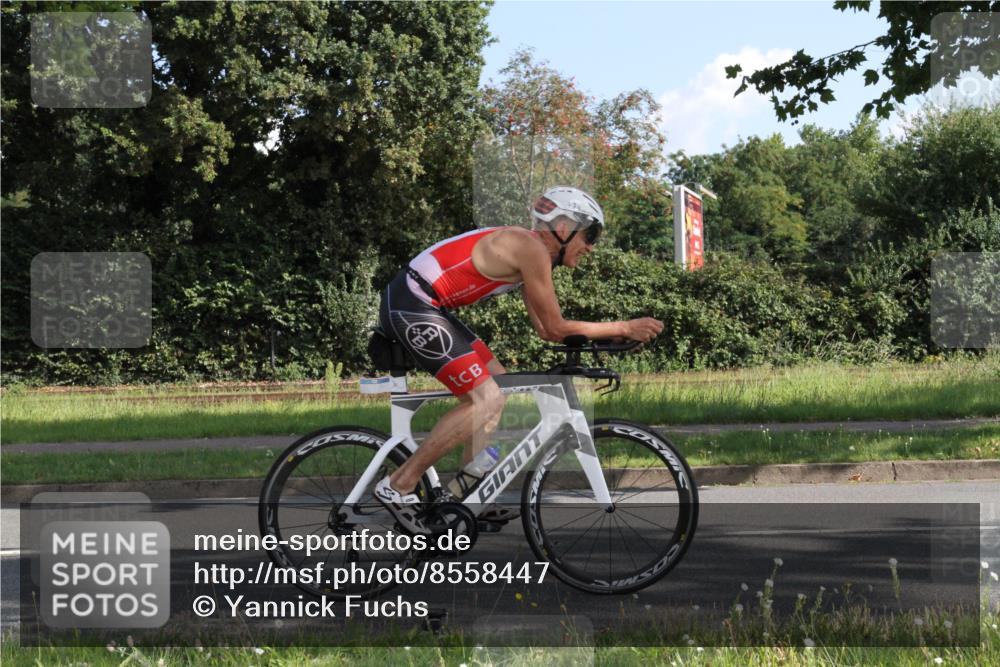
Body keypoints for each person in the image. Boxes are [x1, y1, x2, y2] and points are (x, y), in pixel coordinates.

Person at [374, 186, 664, 533]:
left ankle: (467, 494)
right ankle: (400, 483)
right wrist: (625, 326)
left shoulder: (533, 251)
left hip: (428, 305)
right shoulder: (531, 249)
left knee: (501, 384)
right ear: (563, 226)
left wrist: (610, 334)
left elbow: (545, 329)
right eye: (590, 235)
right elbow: (557, 327)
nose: (590, 246)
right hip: (412, 305)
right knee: (488, 397)